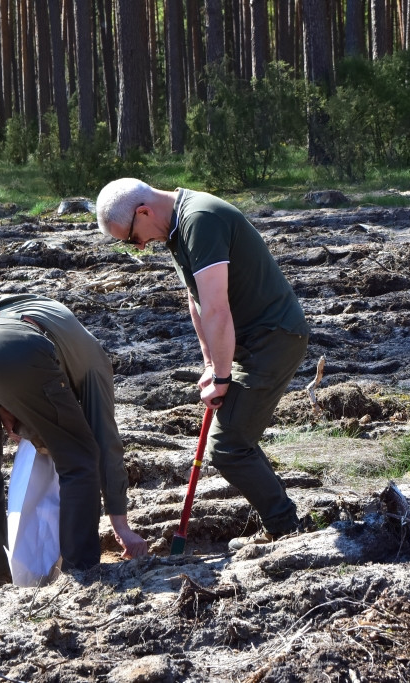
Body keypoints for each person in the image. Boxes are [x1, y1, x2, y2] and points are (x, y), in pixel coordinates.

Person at [95, 178, 311, 550]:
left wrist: (224, 376)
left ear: (144, 212)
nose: (140, 246)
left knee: (228, 446)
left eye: (132, 238)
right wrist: (211, 362)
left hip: (273, 339)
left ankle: (287, 529)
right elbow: (195, 301)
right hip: (249, 342)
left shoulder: (200, 220)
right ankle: (284, 519)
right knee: (236, 438)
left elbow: (216, 306)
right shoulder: (177, 229)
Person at [0, 293, 148, 586]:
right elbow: (104, 439)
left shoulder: (62, 337)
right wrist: (120, 524)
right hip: (15, 348)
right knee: (81, 458)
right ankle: (81, 575)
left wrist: (0, 404)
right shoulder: (94, 364)